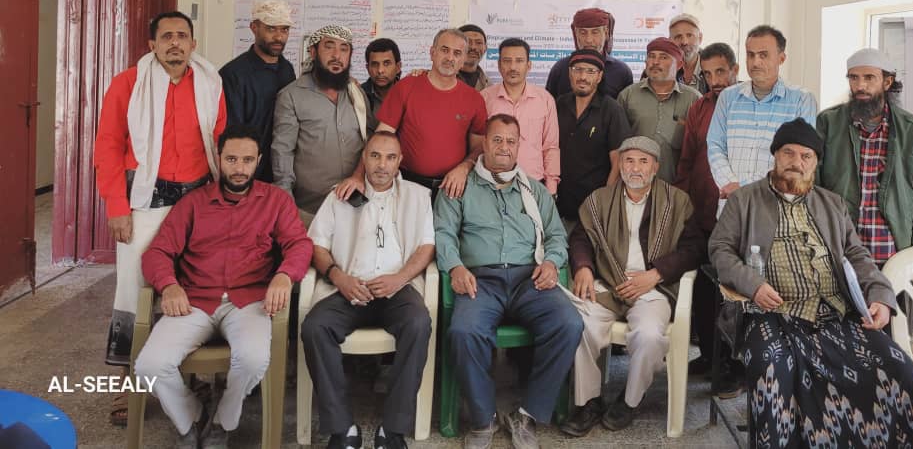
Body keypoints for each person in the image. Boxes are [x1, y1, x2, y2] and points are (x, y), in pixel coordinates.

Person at [709, 119, 913, 448]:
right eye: (788, 153)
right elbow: (720, 250)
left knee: (899, 366)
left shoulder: (832, 203)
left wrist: (880, 296)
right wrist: (753, 285)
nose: (796, 162)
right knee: (772, 367)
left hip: (836, 312)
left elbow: (857, 254)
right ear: (775, 155)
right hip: (771, 313)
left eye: (806, 156)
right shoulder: (744, 200)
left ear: (815, 162)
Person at [135, 125, 313, 449]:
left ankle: (222, 421)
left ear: (258, 161)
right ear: (219, 159)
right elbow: (158, 252)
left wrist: (285, 275)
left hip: (250, 301)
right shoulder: (193, 203)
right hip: (195, 300)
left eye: (247, 160)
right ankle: (191, 418)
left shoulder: (275, 201)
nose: (239, 168)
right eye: (231, 159)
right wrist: (169, 285)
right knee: (149, 365)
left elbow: (299, 244)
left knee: (253, 359)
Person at [93, 10, 226, 425]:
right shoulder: (128, 84)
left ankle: (187, 377)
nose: (175, 43)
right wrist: (117, 207)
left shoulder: (210, 83)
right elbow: (108, 146)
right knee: (132, 289)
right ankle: (127, 384)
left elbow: (219, 142)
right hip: (144, 200)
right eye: (166, 37)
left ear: (193, 44)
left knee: (191, 286)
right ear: (152, 45)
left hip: (198, 199)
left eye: (182, 36)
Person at [434, 114, 582, 449]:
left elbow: (557, 236)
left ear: (519, 146)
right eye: (497, 140)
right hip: (481, 281)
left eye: (511, 141)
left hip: (528, 279)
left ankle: (527, 414)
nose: (504, 147)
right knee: (464, 332)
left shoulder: (534, 190)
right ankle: (483, 418)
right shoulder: (460, 186)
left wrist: (551, 262)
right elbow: (443, 233)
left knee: (569, 324)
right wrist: (455, 267)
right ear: (484, 144)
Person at [560, 137, 704, 436]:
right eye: (629, 160)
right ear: (620, 165)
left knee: (649, 335)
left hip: (653, 288)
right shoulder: (599, 199)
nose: (635, 168)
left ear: (656, 167)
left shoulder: (677, 201)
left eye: (643, 161)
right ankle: (589, 402)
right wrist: (583, 267)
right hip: (607, 283)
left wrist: (656, 274)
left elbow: (693, 249)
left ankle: (630, 400)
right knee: (579, 325)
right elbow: (580, 238)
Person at [301, 131, 434, 449]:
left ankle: (393, 430)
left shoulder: (417, 196)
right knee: (315, 327)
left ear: (400, 162)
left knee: (418, 323)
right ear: (364, 158)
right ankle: (342, 429)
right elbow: (316, 245)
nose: (382, 165)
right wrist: (339, 277)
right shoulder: (342, 194)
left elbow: (426, 247)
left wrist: (399, 278)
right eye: (375, 156)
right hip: (349, 288)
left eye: (390, 158)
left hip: (397, 289)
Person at [817, 48, 913, 266]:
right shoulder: (827, 124)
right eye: (853, 77)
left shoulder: (912, 131)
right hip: (840, 252)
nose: (860, 86)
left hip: (893, 257)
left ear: (887, 82)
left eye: (869, 77)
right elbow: (811, 186)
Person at [671, 42, 742, 391]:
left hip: (736, 216)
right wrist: (683, 207)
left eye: (721, 72)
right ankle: (710, 355)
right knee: (701, 286)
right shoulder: (699, 107)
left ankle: (733, 366)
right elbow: (687, 159)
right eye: (709, 73)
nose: (715, 80)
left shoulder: (746, 106)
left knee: (732, 290)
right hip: (700, 211)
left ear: (735, 70)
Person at [272, 25, 376, 223]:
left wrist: (358, 175)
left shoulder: (356, 93)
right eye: (329, 46)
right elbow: (282, 152)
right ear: (313, 52)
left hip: (355, 206)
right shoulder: (291, 96)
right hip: (309, 211)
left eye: (344, 49)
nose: (337, 55)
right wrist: (286, 207)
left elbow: (371, 140)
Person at [368, 28, 487, 200]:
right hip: (407, 184)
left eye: (457, 53)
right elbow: (380, 139)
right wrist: (359, 176)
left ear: (463, 60)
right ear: (432, 53)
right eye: (444, 50)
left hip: (452, 187)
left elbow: (478, 148)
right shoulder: (406, 87)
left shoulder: (475, 99)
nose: (450, 58)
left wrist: (465, 167)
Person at [707, 25, 817, 210]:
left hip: (776, 206)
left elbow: (799, 157)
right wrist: (730, 184)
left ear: (781, 58)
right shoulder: (728, 97)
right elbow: (715, 145)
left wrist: (746, 188)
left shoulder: (802, 100)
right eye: (750, 55)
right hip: (732, 203)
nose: (755, 62)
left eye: (763, 55)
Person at [219, 0, 296, 182]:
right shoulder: (233, 74)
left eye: (284, 29)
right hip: (246, 173)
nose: (279, 37)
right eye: (271, 29)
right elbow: (232, 133)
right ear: (254, 28)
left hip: (282, 170)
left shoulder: (287, 70)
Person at [556, 49, 632, 225]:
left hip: (594, 208)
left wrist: (605, 202)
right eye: (578, 70)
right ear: (570, 74)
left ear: (599, 76)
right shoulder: (559, 104)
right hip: (559, 205)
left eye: (590, 71)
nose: (583, 77)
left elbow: (618, 162)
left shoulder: (611, 110)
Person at [481, 37, 560, 195]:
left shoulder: (545, 100)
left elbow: (551, 147)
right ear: (499, 65)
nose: (513, 67)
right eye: (507, 61)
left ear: (528, 65)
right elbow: (478, 144)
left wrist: (551, 190)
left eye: (519, 61)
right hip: (491, 184)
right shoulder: (484, 99)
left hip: (533, 184)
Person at [617, 37, 700, 182]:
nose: (655, 62)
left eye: (663, 57)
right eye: (651, 56)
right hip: (634, 184)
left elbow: (700, 148)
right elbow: (617, 145)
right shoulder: (628, 95)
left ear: (679, 64)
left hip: (677, 185)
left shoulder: (693, 99)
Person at [546, 8, 634, 99]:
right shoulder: (560, 68)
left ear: (606, 33)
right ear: (576, 34)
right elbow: (548, 104)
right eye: (583, 33)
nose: (589, 40)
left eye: (595, 32)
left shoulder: (622, 71)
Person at [667, 13, 708, 94]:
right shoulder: (661, 68)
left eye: (689, 35)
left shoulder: (713, 67)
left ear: (700, 38)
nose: (684, 42)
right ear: (670, 41)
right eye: (678, 37)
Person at [362, 37, 402, 113]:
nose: (380, 70)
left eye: (386, 64)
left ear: (398, 67)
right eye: (375, 64)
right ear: (367, 68)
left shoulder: (408, 94)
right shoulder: (358, 95)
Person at [458, 24, 490, 91]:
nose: (473, 47)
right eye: (468, 42)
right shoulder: (442, 78)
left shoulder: (488, 85)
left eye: (478, 43)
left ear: (485, 48)